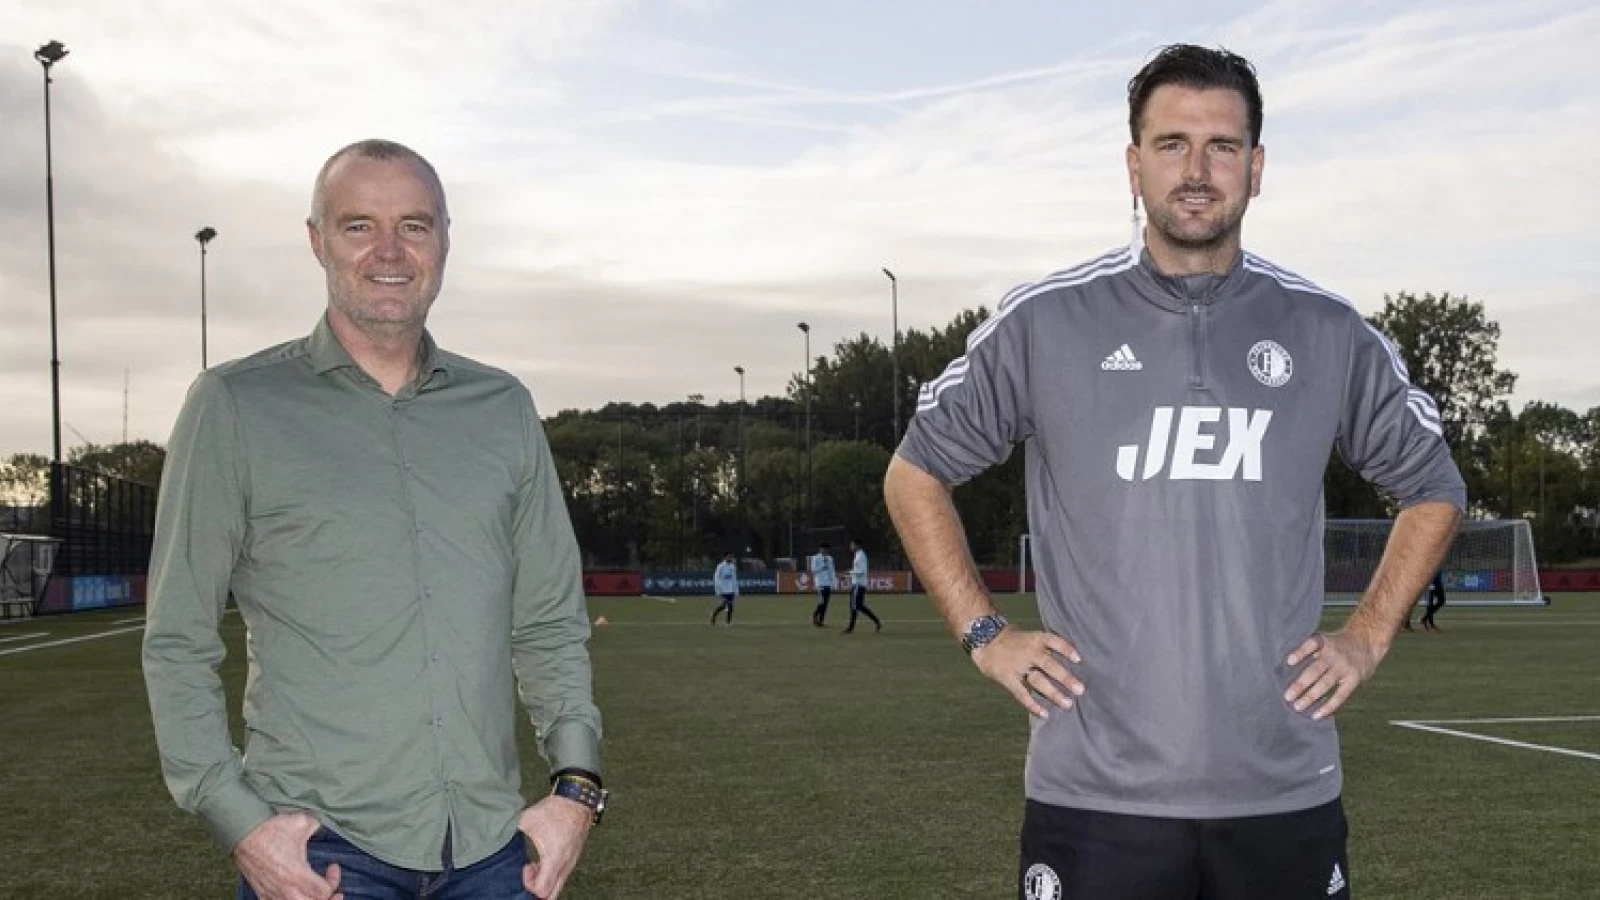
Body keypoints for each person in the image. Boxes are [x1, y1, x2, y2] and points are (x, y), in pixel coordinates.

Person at [883, 45, 1464, 900]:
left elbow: (1433, 485)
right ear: (1133, 165)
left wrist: (1368, 636)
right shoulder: (1047, 322)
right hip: (1093, 800)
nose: (1197, 170)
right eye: (1170, 144)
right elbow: (915, 469)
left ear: (1257, 168)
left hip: (1282, 792)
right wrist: (984, 634)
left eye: (1222, 146)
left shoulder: (1327, 329)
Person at [143, 139, 606, 900]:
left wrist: (576, 790)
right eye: (360, 225)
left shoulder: (504, 409)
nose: (389, 250)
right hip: (320, 858)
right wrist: (240, 823)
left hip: (496, 855)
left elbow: (550, 621)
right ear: (317, 239)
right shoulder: (234, 405)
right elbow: (178, 638)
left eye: (415, 225)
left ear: (446, 239)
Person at [842, 538, 882, 634]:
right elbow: (858, 571)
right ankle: (851, 628)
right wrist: (847, 575)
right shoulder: (858, 555)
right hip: (856, 584)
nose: (851, 547)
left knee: (857, 606)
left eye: (852, 545)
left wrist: (849, 572)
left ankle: (876, 621)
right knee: (854, 606)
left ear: (857, 545)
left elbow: (861, 571)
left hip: (858, 585)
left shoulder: (861, 556)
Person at [810, 543, 838, 626]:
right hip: (820, 583)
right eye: (823, 549)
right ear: (820, 549)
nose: (825, 551)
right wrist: (822, 566)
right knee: (822, 601)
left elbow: (832, 571)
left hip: (827, 583)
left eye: (826, 549)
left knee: (826, 603)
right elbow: (813, 570)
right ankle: (815, 615)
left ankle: (821, 621)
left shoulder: (830, 558)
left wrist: (834, 582)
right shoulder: (815, 558)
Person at [711, 552, 739, 625]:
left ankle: (728, 622)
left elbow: (734, 578)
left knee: (730, 606)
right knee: (724, 605)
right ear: (725, 557)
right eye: (729, 557)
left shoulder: (732, 566)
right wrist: (717, 589)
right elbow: (716, 578)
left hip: (731, 590)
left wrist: (736, 590)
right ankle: (713, 615)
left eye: (731, 557)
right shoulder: (720, 566)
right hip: (723, 589)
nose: (730, 558)